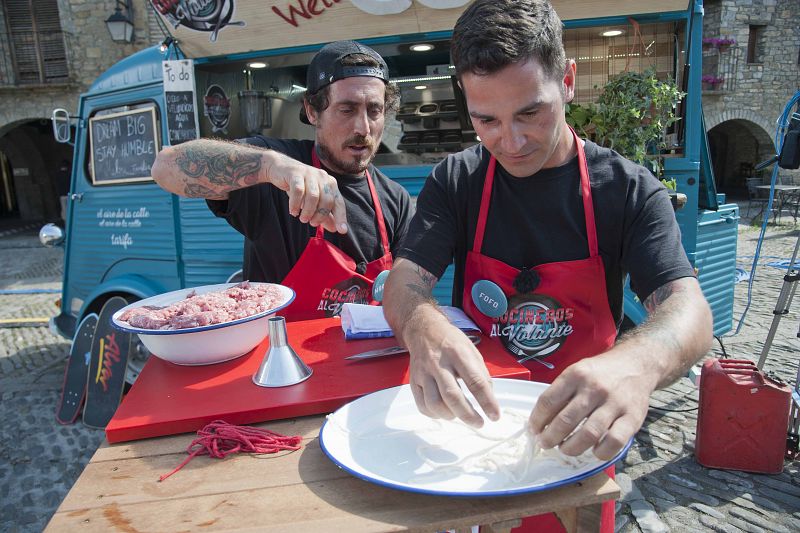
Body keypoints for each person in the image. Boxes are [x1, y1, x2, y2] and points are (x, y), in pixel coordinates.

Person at [382, 1, 712, 531]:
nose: (509, 142)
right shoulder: (457, 182)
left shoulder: (628, 191)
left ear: (568, 81)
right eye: (486, 120)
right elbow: (404, 281)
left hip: (583, 437)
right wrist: (422, 325)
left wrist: (637, 364)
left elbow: (687, 307)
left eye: (530, 112)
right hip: (480, 436)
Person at [152, 41, 413, 320]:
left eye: (374, 110)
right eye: (347, 110)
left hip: (363, 356)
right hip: (282, 358)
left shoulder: (396, 200)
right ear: (313, 111)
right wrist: (271, 166)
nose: (363, 127)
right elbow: (165, 167)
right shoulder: (274, 173)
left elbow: (408, 293)